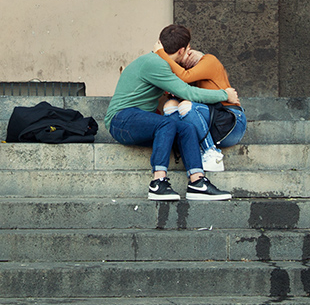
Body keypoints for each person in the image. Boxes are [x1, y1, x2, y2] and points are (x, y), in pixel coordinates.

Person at [104, 24, 239, 201]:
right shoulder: (156, 64)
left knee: (186, 128)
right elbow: (188, 93)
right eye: (189, 49)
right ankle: (158, 182)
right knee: (167, 123)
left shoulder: (157, 62)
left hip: (141, 121)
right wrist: (224, 94)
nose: (190, 52)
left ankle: (197, 183)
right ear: (181, 50)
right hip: (120, 119)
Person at [156, 45, 247, 173]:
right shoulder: (186, 73)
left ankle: (212, 154)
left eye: (188, 51)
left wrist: (159, 52)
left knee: (186, 106)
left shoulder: (209, 60)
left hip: (231, 124)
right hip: (209, 127)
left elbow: (185, 76)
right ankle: (193, 152)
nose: (188, 56)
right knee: (170, 105)